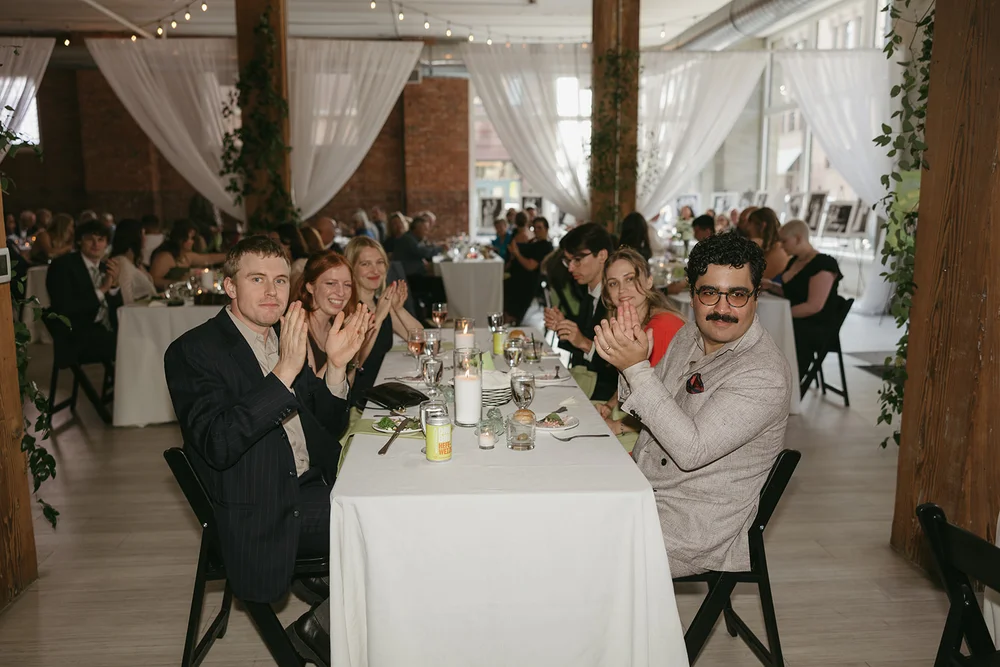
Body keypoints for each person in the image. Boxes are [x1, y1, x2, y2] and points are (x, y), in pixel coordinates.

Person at [164, 237, 371, 667]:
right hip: (264, 503)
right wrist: (283, 375)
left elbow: (322, 427)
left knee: (396, 492)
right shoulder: (193, 351)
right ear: (230, 287)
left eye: (280, 280)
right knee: (383, 521)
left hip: (310, 483)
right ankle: (320, 628)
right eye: (257, 279)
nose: (272, 292)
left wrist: (334, 369)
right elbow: (219, 444)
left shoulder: (280, 336)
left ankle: (353, 621)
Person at [593, 232, 791, 577]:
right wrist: (628, 361)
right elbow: (649, 407)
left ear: (756, 296)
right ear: (693, 293)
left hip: (693, 526)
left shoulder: (763, 374)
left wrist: (635, 368)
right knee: (556, 504)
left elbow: (691, 450)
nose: (722, 309)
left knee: (572, 544)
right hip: (646, 488)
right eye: (710, 292)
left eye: (738, 295)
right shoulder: (690, 335)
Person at [595, 248, 685, 436]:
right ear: (607, 294)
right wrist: (610, 405)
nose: (622, 290)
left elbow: (665, 401)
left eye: (630, 279)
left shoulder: (663, 326)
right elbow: (633, 378)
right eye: (613, 283)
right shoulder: (633, 324)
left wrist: (618, 426)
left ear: (649, 281)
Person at [542, 223, 618, 401]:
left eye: (577, 260)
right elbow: (582, 345)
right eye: (568, 261)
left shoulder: (615, 301)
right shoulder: (590, 293)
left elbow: (617, 368)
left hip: (605, 397)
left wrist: (584, 343)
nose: (570, 268)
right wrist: (564, 327)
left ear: (602, 255)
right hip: (584, 384)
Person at [345, 237, 423, 401]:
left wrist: (398, 309)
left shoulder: (380, 302)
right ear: (352, 269)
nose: (375, 270)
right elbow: (357, 362)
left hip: (384, 389)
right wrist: (379, 318)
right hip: (362, 399)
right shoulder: (351, 310)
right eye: (365, 264)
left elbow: (419, 338)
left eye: (380, 262)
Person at [766, 219, 845, 379]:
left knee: (768, 330)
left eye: (784, 241)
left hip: (813, 326)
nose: (781, 245)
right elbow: (793, 294)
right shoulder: (794, 261)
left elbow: (813, 306)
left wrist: (781, 316)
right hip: (796, 320)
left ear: (798, 238)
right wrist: (771, 286)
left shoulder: (824, 264)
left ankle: (783, 385)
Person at [45, 219, 123, 363]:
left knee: (143, 337)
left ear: (106, 244)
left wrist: (114, 286)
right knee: (131, 345)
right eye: (90, 239)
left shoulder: (106, 267)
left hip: (104, 332)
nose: (96, 244)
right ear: (80, 241)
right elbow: (64, 307)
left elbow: (117, 311)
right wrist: (103, 289)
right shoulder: (63, 266)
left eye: (101, 240)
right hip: (75, 337)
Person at [293, 251, 359, 379]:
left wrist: (353, 348)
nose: (341, 292)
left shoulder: (337, 326)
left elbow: (346, 390)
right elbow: (311, 394)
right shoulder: (299, 330)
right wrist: (336, 358)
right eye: (331, 283)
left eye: (347, 285)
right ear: (310, 287)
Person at [149, 220, 226, 290]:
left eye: (193, 238)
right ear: (180, 239)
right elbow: (154, 280)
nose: (192, 242)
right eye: (190, 238)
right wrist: (177, 283)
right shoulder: (165, 257)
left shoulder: (187, 256)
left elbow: (209, 259)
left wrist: (232, 255)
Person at [504, 215, 553, 324]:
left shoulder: (545, 246)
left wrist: (517, 253)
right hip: (518, 278)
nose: (536, 230)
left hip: (527, 283)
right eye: (534, 228)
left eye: (540, 227)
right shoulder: (533, 242)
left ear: (546, 229)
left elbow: (530, 266)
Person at [108, 218, 157, 304]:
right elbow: (126, 297)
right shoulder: (122, 262)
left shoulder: (135, 262)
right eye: (143, 234)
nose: (145, 238)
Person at [745, 207, 790, 281]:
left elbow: (754, 279)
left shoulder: (779, 249)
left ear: (762, 226)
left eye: (750, 224)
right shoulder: (774, 247)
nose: (748, 228)